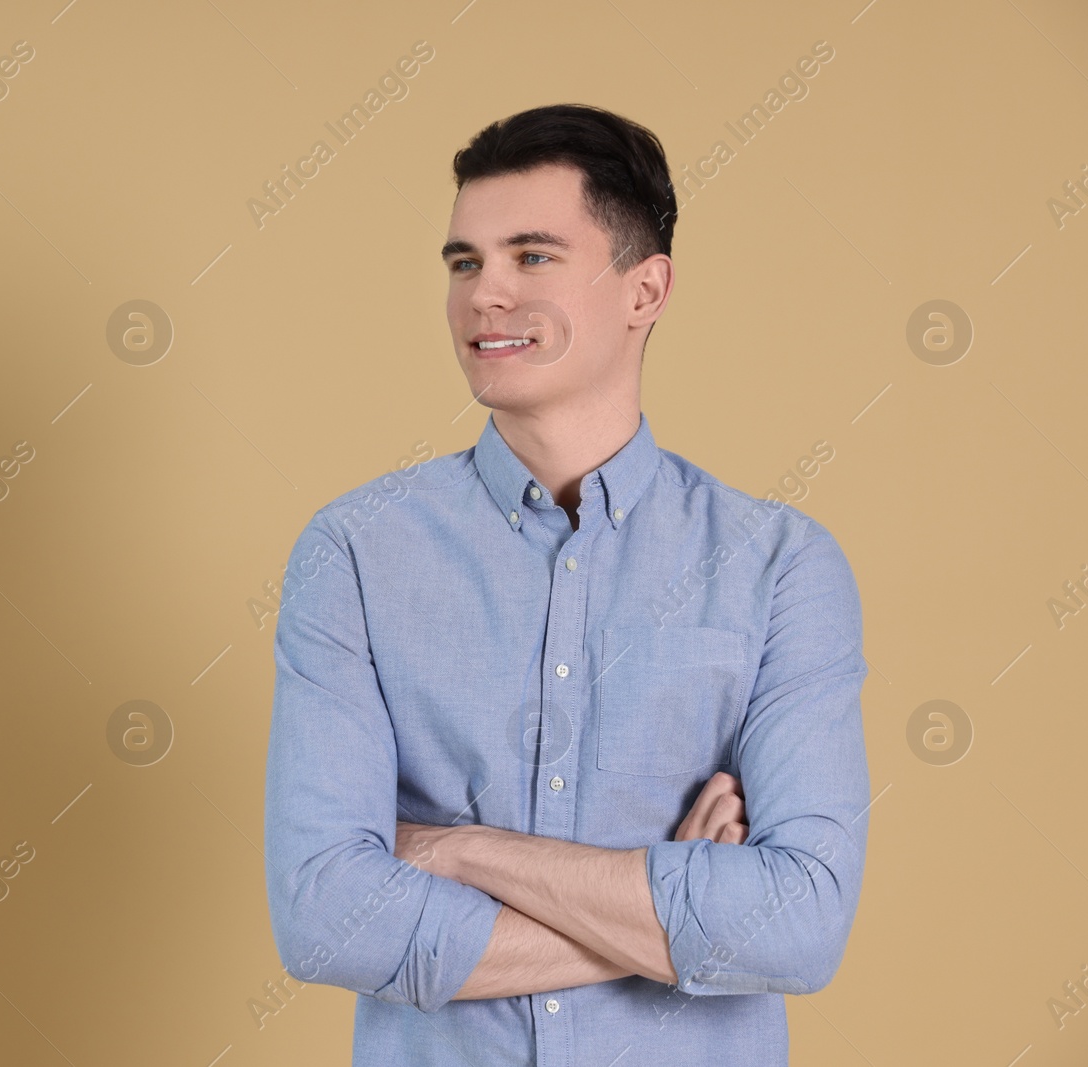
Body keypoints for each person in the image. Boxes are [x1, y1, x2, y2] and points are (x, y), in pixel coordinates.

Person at [263, 102, 870, 1066]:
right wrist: (684, 917)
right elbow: (326, 919)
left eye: (531, 257)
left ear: (645, 290)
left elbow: (800, 929)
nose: (483, 296)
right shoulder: (355, 553)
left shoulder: (780, 566)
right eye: (465, 262)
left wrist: (456, 850)